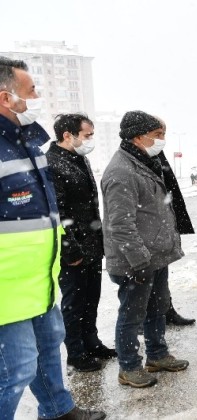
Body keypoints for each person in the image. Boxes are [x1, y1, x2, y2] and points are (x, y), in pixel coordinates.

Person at [0, 57, 105, 420]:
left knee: (48, 351)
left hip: (40, 281)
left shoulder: (27, 145)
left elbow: (49, 212)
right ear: (5, 98)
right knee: (14, 372)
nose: (37, 98)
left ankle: (59, 410)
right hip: (6, 291)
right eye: (31, 93)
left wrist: (64, 245)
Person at [102, 110, 189, 388]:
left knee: (157, 308)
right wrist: (139, 262)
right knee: (132, 315)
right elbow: (120, 225)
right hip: (135, 261)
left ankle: (157, 355)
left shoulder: (143, 161)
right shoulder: (121, 172)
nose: (162, 140)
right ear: (138, 137)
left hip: (154, 257)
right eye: (158, 135)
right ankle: (128, 367)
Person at [46, 113, 116, 374]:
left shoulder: (79, 158)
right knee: (74, 302)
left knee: (91, 298)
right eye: (87, 135)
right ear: (68, 135)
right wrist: (70, 250)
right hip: (73, 250)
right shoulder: (51, 164)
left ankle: (92, 342)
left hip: (91, 245)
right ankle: (76, 353)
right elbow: (57, 212)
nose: (91, 140)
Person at [153, 117, 197, 327]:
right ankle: (150, 319)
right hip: (151, 230)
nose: (162, 139)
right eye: (158, 133)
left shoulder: (157, 155)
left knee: (162, 275)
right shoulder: (137, 160)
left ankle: (166, 310)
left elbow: (170, 188)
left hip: (163, 226)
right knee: (147, 281)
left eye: (164, 134)